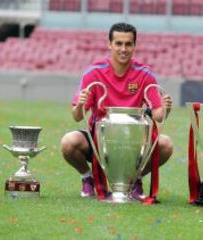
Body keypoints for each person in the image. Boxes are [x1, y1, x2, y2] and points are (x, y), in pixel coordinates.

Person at [61, 22, 173, 200]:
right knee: (69, 142)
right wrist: (80, 105)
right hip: (101, 143)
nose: (123, 49)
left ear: (134, 45)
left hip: (134, 145)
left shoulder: (145, 74)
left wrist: (166, 108)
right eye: (118, 43)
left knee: (165, 144)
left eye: (128, 44)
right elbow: (77, 117)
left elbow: (158, 116)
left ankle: (134, 179)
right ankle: (87, 178)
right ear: (109, 44)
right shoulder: (94, 72)